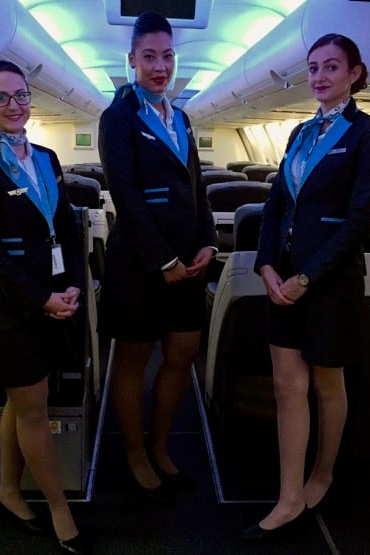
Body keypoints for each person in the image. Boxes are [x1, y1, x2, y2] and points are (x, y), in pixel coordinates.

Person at [242, 34, 370, 541]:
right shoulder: (300, 133)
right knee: (287, 387)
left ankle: (322, 474)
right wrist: (266, 265)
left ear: (354, 73)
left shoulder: (369, 133)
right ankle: (288, 498)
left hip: (330, 282)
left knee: (327, 381)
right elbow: (276, 206)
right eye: (313, 68)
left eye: (331, 66)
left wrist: (308, 278)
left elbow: (359, 219)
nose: (320, 76)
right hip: (284, 278)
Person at [0, 60, 86, 554]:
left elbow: (65, 226)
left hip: (51, 298)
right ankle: (59, 508)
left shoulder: (47, 157)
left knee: (20, 403)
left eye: (21, 95)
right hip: (10, 309)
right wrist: (42, 299)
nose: (14, 105)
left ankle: (8, 491)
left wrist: (71, 285)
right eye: (2, 97)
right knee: (33, 409)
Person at [97, 12, 217, 501]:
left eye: (167, 56)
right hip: (139, 264)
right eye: (149, 56)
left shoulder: (181, 117)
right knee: (132, 362)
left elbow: (197, 186)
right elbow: (126, 195)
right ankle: (134, 453)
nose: (160, 66)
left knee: (182, 354)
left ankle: (160, 444)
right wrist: (164, 260)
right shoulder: (118, 118)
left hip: (189, 262)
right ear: (132, 60)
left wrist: (209, 240)